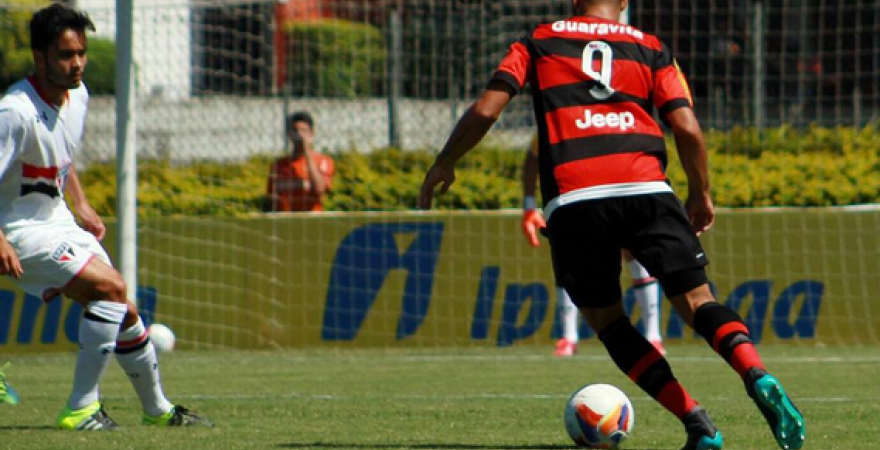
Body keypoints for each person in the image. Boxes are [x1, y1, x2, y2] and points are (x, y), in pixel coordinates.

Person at [419, 1, 805, 449]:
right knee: (698, 302)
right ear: (623, 2)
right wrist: (700, 192)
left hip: (577, 198)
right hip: (649, 191)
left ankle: (698, 424)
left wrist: (445, 163)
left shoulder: (538, 41)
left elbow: (487, 111)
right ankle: (753, 371)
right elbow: (687, 127)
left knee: (609, 321)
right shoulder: (652, 47)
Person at [0, 4, 212, 430]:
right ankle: (81, 408)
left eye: (81, 52)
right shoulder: (13, 111)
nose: (76, 63)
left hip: (57, 220)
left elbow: (60, 158)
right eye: (64, 55)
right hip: (18, 229)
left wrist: (80, 202)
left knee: (124, 309)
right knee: (112, 287)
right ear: (40, 58)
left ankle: (158, 411)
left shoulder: (78, 96)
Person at [521, 135, 665, 357]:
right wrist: (529, 203)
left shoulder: (616, 120)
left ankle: (653, 337)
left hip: (621, 193)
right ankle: (569, 338)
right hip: (574, 200)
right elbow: (532, 158)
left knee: (634, 254)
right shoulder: (555, 120)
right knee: (571, 260)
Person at [265, 111, 335, 212]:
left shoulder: (323, 161)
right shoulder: (278, 165)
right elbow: (270, 198)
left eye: (303, 131)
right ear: (289, 134)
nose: (299, 135)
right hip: (285, 221)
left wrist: (306, 152)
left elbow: (320, 189)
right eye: (295, 130)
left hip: (311, 220)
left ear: (311, 134)